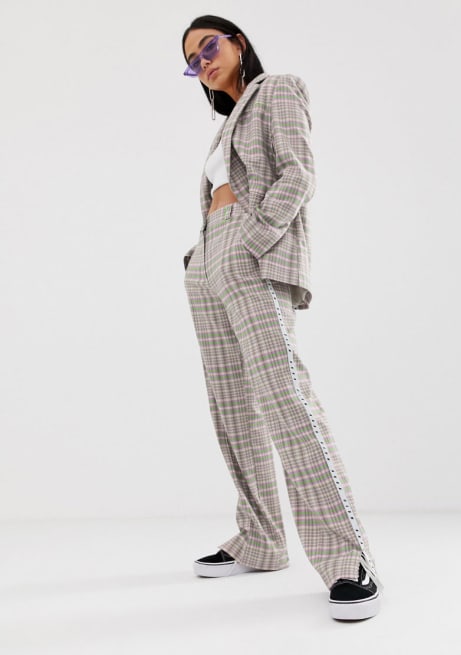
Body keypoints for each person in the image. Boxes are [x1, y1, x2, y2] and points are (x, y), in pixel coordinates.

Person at [181, 14, 384, 621]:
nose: (203, 62)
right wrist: (200, 254)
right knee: (232, 405)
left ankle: (347, 558)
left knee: (284, 398)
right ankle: (262, 538)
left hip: (250, 249)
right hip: (208, 259)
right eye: (192, 61)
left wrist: (255, 237)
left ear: (238, 42)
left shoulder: (278, 89)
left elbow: (299, 171)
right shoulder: (223, 127)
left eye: (209, 46)